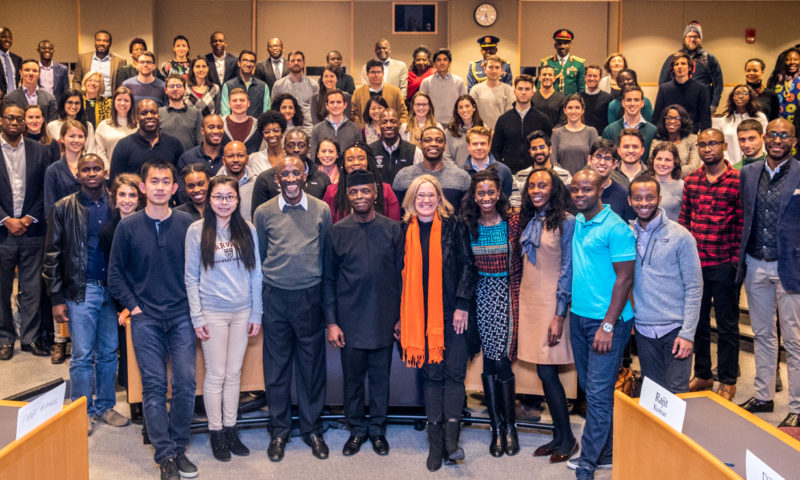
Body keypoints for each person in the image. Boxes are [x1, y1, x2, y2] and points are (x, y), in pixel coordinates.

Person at [107, 158, 198, 480]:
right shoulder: (127, 227)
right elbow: (115, 274)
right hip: (145, 319)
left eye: (166, 182)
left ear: (175, 188)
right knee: (155, 386)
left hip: (182, 316)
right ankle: (165, 456)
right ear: (144, 187)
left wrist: (194, 307)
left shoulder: (188, 224)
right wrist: (133, 306)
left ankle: (179, 445)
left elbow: (200, 270)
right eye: (154, 182)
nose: (160, 187)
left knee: (186, 383)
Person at [253, 155, 332, 462]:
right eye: (283, 173)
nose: (289, 178)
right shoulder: (263, 212)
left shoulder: (321, 210)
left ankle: (312, 429)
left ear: (305, 175)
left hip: (310, 297)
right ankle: (279, 430)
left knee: (311, 367)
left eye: (295, 173)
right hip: (275, 298)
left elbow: (325, 257)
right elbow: (259, 256)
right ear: (276, 179)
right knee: (277, 369)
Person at [43, 153, 130, 434]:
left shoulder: (118, 204)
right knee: (82, 354)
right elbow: (52, 255)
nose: (91, 173)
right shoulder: (63, 207)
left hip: (112, 291)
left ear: (105, 173)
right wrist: (56, 298)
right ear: (77, 174)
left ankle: (105, 406)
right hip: (81, 290)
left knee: (108, 352)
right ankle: (83, 410)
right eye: (85, 169)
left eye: (96, 169)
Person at [397, 174, 476, 471]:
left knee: (454, 376)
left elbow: (469, 266)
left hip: (451, 314)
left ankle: (452, 443)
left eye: (431, 195)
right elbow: (397, 274)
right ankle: (435, 443)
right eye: (420, 196)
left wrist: (462, 305)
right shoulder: (404, 230)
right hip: (418, 317)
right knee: (431, 377)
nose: (426, 200)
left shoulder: (455, 227)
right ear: (412, 200)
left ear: (439, 198)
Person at [323, 169, 403, 456]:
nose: (360, 196)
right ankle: (357, 429)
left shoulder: (393, 229)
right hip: (349, 319)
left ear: (375, 194)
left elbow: (401, 276)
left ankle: (378, 430)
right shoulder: (337, 232)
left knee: (380, 380)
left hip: (383, 318)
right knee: (353, 381)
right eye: (355, 192)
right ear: (348, 196)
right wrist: (331, 322)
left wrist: (401, 317)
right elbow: (328, 280)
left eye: (365, 191)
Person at [185, 175, 262, 461]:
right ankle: (216, 431)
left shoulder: (248, 229)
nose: (224, 202)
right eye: (218, 197)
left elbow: (256, 273)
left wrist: (257, 311)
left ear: (237, 200)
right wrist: (197, 316)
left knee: (234, 375)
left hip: (242, 311)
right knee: (216, 375)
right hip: (212, 312)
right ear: (209, 199)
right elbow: (191, 277)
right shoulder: (196, 230)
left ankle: (231, 428)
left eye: (229, 197)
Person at [566, 168, 635, 478]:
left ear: (600, 190)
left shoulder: (617, 228)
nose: (581, 195)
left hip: (607, 322)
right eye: (575, 190)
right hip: (579, 317)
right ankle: (606, 451)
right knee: (589, 387)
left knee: (597, 393)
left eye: (587, 190)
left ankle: (588, 462)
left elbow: (625, 278)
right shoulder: (579, 221)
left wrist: (608, 325)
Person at [736, 118, 800, 429]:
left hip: (791, 266)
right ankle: (763, 395)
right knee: (763, 334)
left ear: (793, 140)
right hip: (755, 262)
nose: (777, 139)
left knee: (794, 340)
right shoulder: (748, 173)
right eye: (772, 134)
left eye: (783, 135)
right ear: (764, 138)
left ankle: (798, 407)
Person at [460, 169, 521, 457]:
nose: (486, 197)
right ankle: (496, 428)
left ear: (499, 193)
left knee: (502, 362)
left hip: (508, 295)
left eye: (491, 192)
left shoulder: (514, 222)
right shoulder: (467, 225)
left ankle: (511, 427)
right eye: (480, 193)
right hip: (481, 296)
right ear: (474, 195)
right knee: (488, 361)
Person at [679, 128, 743, 401]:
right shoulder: (692, 180)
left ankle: (728, 379)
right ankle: (703, 374)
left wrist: (735, 261)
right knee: (698, 323)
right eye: (703, 145)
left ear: (724, 146)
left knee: (727, 325)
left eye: (712, 144)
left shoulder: (737, 181)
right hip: (696, 264)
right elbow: (684, 219)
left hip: (724, 263)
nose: (707, 149)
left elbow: (742, 224)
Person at [518, 168, 577, 463]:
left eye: (543, 185)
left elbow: (568, 269)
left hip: (551, 306)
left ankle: (568, 438)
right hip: (530, 302)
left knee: (547, 372)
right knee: (545, 373)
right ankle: (559, 435)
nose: (536, 190)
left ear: (555, 189)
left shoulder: (567, 222)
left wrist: (559, 314)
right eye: (532, 186)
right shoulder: (530, 221)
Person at [628, 174, 702, 394]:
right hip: (643, 330)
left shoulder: (681, 236)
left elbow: (694, 287)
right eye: (638, 198)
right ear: (630, 201)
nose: (644, 203)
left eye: (649, 197)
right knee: (653, 394)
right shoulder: (625, 235)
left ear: (659, 199)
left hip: (675, 330)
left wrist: (687, 333)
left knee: (678, 395)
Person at [0, 104, 50, 360]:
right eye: (10, 117)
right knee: (2, 288)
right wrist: (6, 219)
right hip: (2, 233)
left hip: (33, 231)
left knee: (32, 288)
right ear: (1, 120)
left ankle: (29, 338)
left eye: (20, 119)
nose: (15, 122)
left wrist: (29, 218)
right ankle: (5, 338)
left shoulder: (41, 151)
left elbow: (46, 189)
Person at [98, 173, 144, 404]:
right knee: (125, 340)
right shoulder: (108, 231)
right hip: (121, 297)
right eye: (122, 195)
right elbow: (113, 273)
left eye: (132, 195)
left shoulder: (148, 224)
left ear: (140, 198)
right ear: (114, 199)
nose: (127, 200)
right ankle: (134, 397)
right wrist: (126, 305)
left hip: (148, 293)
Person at [393, 126, 471, 213]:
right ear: (420, 144)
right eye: (427, 140)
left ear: (445, 145)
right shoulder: (403, 176)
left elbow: (467, 215)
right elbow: (397, 214)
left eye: (439, 140)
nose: (433, 144)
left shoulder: (462, 177)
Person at [251, 129, 331, 213]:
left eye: (301, 145)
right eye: (291, 145)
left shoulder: (322, 179)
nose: (296, 149)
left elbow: (326, 214)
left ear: (308, 149)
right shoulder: (265, 179)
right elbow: (258, 215)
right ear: (284, 149)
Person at [322, 143, 400, 223]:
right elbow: (326, 224)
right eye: (350, 159)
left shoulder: (385, 190)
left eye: (361, 158)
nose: (356, 162)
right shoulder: (331, 191)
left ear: (368, 162)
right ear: (344, 164)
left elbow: (394, 225)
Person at [657, 21, 723, 114]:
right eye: (689, 36)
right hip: (676, 107)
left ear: (700, 39)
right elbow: (662, 83)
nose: (692, 39)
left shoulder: (708, 59)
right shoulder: (672, 59)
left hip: (701, 106)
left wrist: (713, 105)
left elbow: (718, 85)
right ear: (684, 38)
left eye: (696, 37)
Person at [491, 74, 553, 174]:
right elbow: (495, 150)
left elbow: (549, 147)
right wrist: (503, 170)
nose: (523, 92)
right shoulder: (503, 120)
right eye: (520, 89)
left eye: (527, 89)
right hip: (510, 173)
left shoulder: (543, 119)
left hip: (537, 172)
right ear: (514, 91)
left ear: (533, 92)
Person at [110, 99, 184, 180]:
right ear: (136, 117)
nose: (149, 116)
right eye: (144, 113)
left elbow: (180, 179)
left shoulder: (174, 144)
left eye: (153, 112)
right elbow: (115, 181)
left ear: (159, 116)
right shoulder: (123, 146)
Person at [510, 130, 572, 208]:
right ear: (530, 152)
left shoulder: (565, 175)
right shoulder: (520, 175)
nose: (538, 151)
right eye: (534, 148)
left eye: (542, 147)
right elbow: (516, 205)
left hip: (557, 218)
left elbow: (569, 204)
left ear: (550, 149)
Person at [653, 52, 711, 132]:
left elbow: (705, 119)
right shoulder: (664, 89)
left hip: (691, 134)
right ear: (673, 69)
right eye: (676, 64)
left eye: (683, 63)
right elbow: (656, 116)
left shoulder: (701, 89)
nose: (680, 67)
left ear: (690, 68)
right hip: (669, 134)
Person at [713, 85, 768, 166]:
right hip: (732, 164)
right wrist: (728, 164)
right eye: (737, 93)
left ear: (750, 96)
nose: (740, 96)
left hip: (757, 163)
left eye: (745, 93)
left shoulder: (759, 117)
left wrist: (762, 160)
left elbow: (765, 140)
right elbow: (721, 146)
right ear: (732, 97)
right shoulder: (724, 120)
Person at [369, 108, 422, 186]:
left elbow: (420, 181)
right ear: (379, 125)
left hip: (404, 197)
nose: (389, 125)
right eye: (384, 122)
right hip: (380, 198)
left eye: (393, 121)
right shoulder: (370, 151)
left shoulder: (414, 151)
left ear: (399, 125)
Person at [586, 138, 635, 221]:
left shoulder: (623, 196)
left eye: (607, 158)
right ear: (589, 160)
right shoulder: (575, 192)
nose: (602, 162)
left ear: (614, 164)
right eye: (598, 156)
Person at [602, 86, 657, 161]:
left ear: (642, 103)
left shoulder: (653, 131)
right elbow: (605, 159)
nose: (632, 103)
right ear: (623, 103)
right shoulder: (609, 131)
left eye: (636, 100)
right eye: (628, 100)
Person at [44, 120, 86, 216]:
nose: (76, 140)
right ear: (62, 138)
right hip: (63, 226)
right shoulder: (53, 170)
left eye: (80, 136)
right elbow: (50, 208)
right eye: (72, 136)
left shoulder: (92, 166)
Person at [352, 59, 408, 127]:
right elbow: (353, 114)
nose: (376, 75)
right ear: (367, 74)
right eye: (373, 72)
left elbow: (403, 114)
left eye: (379, 72)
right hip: (366, 133)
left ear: (383, 74)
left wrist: (396, 127)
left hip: (390, 132)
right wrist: (360, 127)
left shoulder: (395, 91)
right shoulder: (358, 93)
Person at [649, 104, 701, 178]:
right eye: (669, 118)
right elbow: (652, 166)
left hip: (686, 184)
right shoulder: (656, 142)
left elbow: (694, 167)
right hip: (660, 184)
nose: (672, 121)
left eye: (677, 118)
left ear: (683, 120)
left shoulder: (692, 140)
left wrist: (666, 171)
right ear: (664, 120)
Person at [551, 94, 598, 175]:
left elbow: (594, 158)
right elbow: (553, 159)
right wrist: (564, 175)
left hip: (586, 179)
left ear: (582, 110)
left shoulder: (591, 132)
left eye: (577, 108)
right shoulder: (557, 133)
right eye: (570, 108)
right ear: (565, 110)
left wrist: (579, 176)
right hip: (562, 180)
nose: (573, 111)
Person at [309, 89, 360, 160]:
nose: (335, 105)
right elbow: (313, 156)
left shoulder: (355, 129)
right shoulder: (317, 129)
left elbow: (359, 154)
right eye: (332, 102)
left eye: (339, 102)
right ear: (327, 106)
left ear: (345, 105)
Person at [72, 30, 126, 97]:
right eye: (98, 40)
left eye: (105, 41)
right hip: (88, 100)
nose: (101, 43)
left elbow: (122, 85)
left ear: (110, 43)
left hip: (109, 101)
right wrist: (80, 97)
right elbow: (76, 81)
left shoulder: (119, 62)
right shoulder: (83, 58)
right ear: (95, 41)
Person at [419, 49, 466, 125]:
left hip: (454, 124)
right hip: (432, 124)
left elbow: (464, 104)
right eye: (438, 60)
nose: (442, 63)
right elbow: (421, 104)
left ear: (449, 63)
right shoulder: (426, 82)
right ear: (434, 64)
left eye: (445, 60)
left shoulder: (459, 82)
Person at [271, 50, 317, 128]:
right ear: (288, 64)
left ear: (304, 63)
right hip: (285, 128)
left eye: (299, 60)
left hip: (308, 128)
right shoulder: (278, 85)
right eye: (293, 60)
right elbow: (274, 110)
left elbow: (316, 110)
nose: (296, 63)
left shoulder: (314, 85)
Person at [95, 86, 137, 170]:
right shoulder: (103, 125)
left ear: (131, 103)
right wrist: (107, 168)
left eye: (126, 100)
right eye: (119, 100)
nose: (122, 103)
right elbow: (99, 150)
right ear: (113, 102)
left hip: (133, 173)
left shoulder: (138, 126)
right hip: (110, 172)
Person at [462, 126, 513, 197]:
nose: (479, 148)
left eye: (483, 144)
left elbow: (507, 202)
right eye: (475, 144)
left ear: (489, 146)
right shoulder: (461, 173)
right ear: (468, 146)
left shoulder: (504, 171)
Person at [468, 55, 513, 130]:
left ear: (501, 70)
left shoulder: (508, 90)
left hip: (502, 133)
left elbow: (509, 115)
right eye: (491, 67)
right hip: (480, 133)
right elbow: (473, 114)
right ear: (485, 69)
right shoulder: (475, 90)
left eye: (497, 67)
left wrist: (497, 132)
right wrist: (485, 130)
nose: (494, 70)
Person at [221, 50, 270, 118]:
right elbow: (225, 114)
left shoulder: (263, 86)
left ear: (255, 65)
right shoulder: (228, 86)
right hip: (233, 127)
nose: (248, 64)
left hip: (257, 127)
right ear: (239, 63)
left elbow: (266, 113)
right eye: (245, 60)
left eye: (251, 61)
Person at [159, 74, 202, 151]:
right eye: (171, 86)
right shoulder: (158, 113)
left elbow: (200, 142)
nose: (175, 89)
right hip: (165, 161)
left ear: (185, 90)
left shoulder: (196, 114)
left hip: (189, 161)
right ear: (166, 90)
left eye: (179, 86)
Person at [47, 88, 96, 154]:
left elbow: (91, 151)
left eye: (77, 103)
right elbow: (50, 152)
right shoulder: (52, 126)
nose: (73, 106)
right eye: (70, 102)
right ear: (63, 104)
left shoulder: (88, 126)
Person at [217, 141, 256, 222]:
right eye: (230, 156)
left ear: (247, 159)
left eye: (240, 155)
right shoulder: (213, 185)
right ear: (223, 160)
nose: (235, 160)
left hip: (249, 232)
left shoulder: (257, 183)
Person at [539, 29, 585, 95]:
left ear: (570, 45)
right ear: (555, 45)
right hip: (551, 102)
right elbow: (540, 86)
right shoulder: (546, 63)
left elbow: (581, 88)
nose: (562, 46)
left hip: (570, 102)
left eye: (566, 43)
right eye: (559, 43)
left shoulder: (578, 64)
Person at [444, 95, 484, 168]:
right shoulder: (449, 131)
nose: (464, 110)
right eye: (461, 107)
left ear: (474, 108)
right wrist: (459, 173)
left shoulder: (483, 129)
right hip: (456, 174)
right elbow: (446, 157)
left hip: (479, 174)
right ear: (457, 111)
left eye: (467, 106)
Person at [647, 142, 684, 221]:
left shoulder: (682, 186)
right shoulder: (643, 184)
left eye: (668, 160)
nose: (662, 163)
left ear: (675, 163)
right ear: (653, 161)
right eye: (659, 159)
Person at [222, 88, 261, 154]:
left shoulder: (258, 124)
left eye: (242, 100)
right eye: (234, 100)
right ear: (229, 104)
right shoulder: (220, 123)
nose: (238, 103)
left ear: (248, 103)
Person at [248, 110, 286, 175]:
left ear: (282, 132)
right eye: (267, 132)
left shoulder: (290, 156)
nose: (271, 135)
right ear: (263, 135)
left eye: (276, 131)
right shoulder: (254, 159)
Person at [580, 65, 613, 139]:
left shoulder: (608, 98)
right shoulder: (579, 97)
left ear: (600, 78)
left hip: (601, 137)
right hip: (582, 136)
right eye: (589, 75)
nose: (592, 79)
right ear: (585, 77)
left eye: (595, 76)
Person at [0, 27, 22, 95]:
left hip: (15, 100)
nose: (7, 40)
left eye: (10, 37)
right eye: (3, 37)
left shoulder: (17, 59)